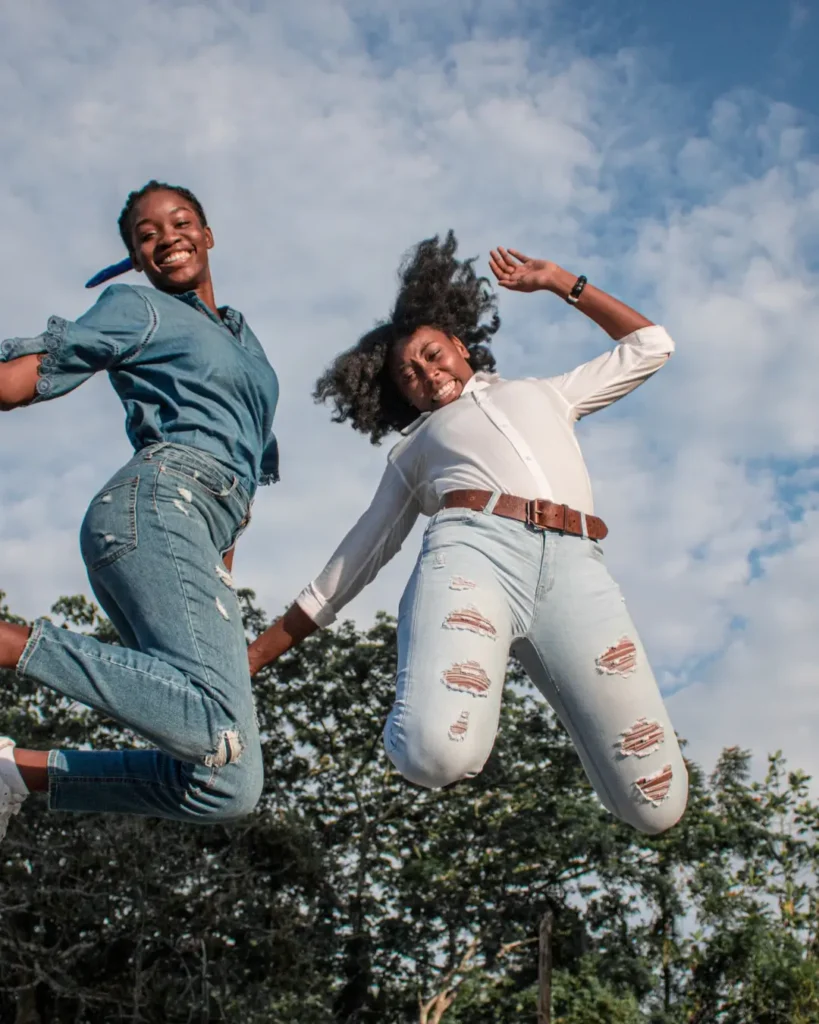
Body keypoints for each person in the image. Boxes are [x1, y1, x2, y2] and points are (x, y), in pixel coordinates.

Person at [247, 232, 687, 834]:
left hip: (579, 570)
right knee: (438, 753)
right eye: (409, 375)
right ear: (401, 396)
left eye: (432, 354)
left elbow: (650, 345)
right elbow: (350, 565)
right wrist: (252, 658)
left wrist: (561, 282)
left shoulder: (546, 394)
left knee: (656, 804)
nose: (427, 373)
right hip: (475, 553)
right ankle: (420, 700)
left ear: (459, 345)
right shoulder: (415, 448)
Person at [0, 181, 279, 840]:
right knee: (216, 728)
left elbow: (244, 474)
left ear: (208, 235)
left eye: (181, 222)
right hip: (156, 505)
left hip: (201, 532)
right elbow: (22, 380)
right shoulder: (139, 308)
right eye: (146, 235)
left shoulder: (246, 342)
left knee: (227, 784)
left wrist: (222, 579)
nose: (167, 237)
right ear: (136, 259)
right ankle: (11, 645)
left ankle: (14, 774)